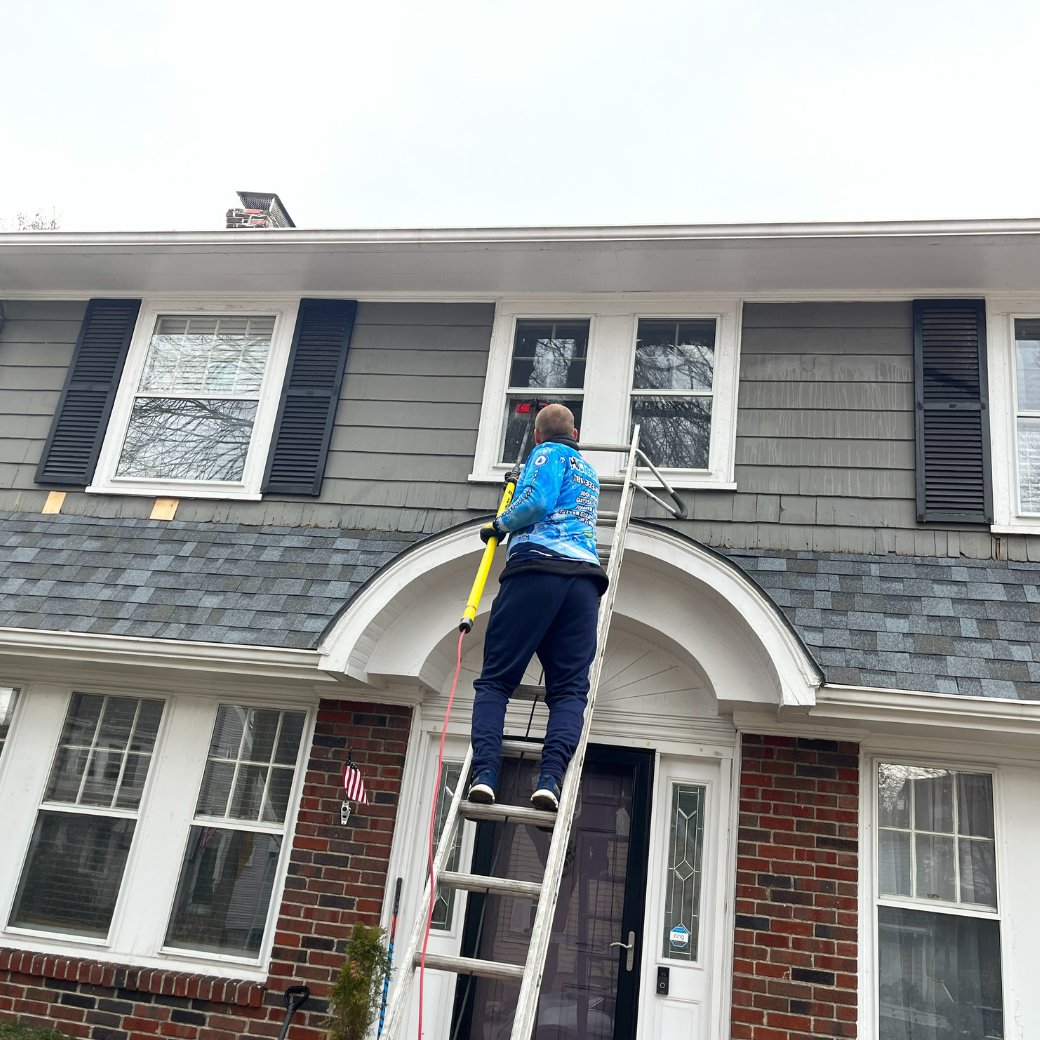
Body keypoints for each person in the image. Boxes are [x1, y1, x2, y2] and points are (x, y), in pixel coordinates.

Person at [468, 403, 608, 812]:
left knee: (495, 682)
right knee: (569, 690)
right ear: (575, 434)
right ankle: (550, 780)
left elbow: (538, 502)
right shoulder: (589, 471)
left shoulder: (545, 454)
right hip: (583, 582)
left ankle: (485, 774)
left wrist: (499, 525)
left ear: (536, 435)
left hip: (535, 571)